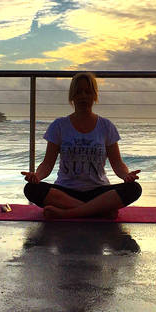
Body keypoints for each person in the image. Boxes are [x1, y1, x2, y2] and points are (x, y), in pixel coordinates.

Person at [21, 72, 142, 219]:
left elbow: (117, 163)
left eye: (88, 92)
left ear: (94, 95)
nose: (83, 96)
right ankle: (99, 211)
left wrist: (126, 176)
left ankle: (67, 213)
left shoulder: (106, 126)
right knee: (32, 189)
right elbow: (47, 164)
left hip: (99, 191)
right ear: (72, 96)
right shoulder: (59, 125)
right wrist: (37, 176)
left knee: (134, 189)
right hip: (65, 191)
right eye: (78, 92)